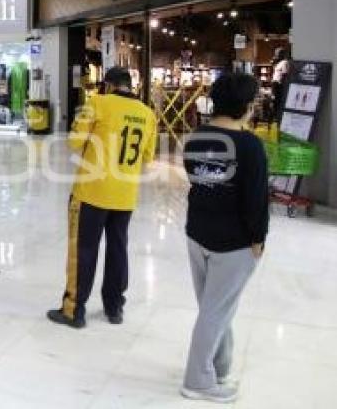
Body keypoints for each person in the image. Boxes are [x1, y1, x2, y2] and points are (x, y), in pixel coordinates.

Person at [180, 72, 269, 404]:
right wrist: (259, 238)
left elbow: (193, 178)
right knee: (215, 311)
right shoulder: (249, 145)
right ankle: (198, 381)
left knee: (213, 307)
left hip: (197, 233)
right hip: (233, 242)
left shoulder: (197, 135)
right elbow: (257, 199)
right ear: (246, 106)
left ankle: (218, 366)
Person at [47, 66, 157, 329]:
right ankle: (114, 307)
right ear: (130, 86)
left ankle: (74, 310)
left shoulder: (96, 103)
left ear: (107, 85)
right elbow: (147, 157)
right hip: (126, 194)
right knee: (118, 249)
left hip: (92, 192)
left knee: (83, 249)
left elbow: (74, 141)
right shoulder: (148, 113)